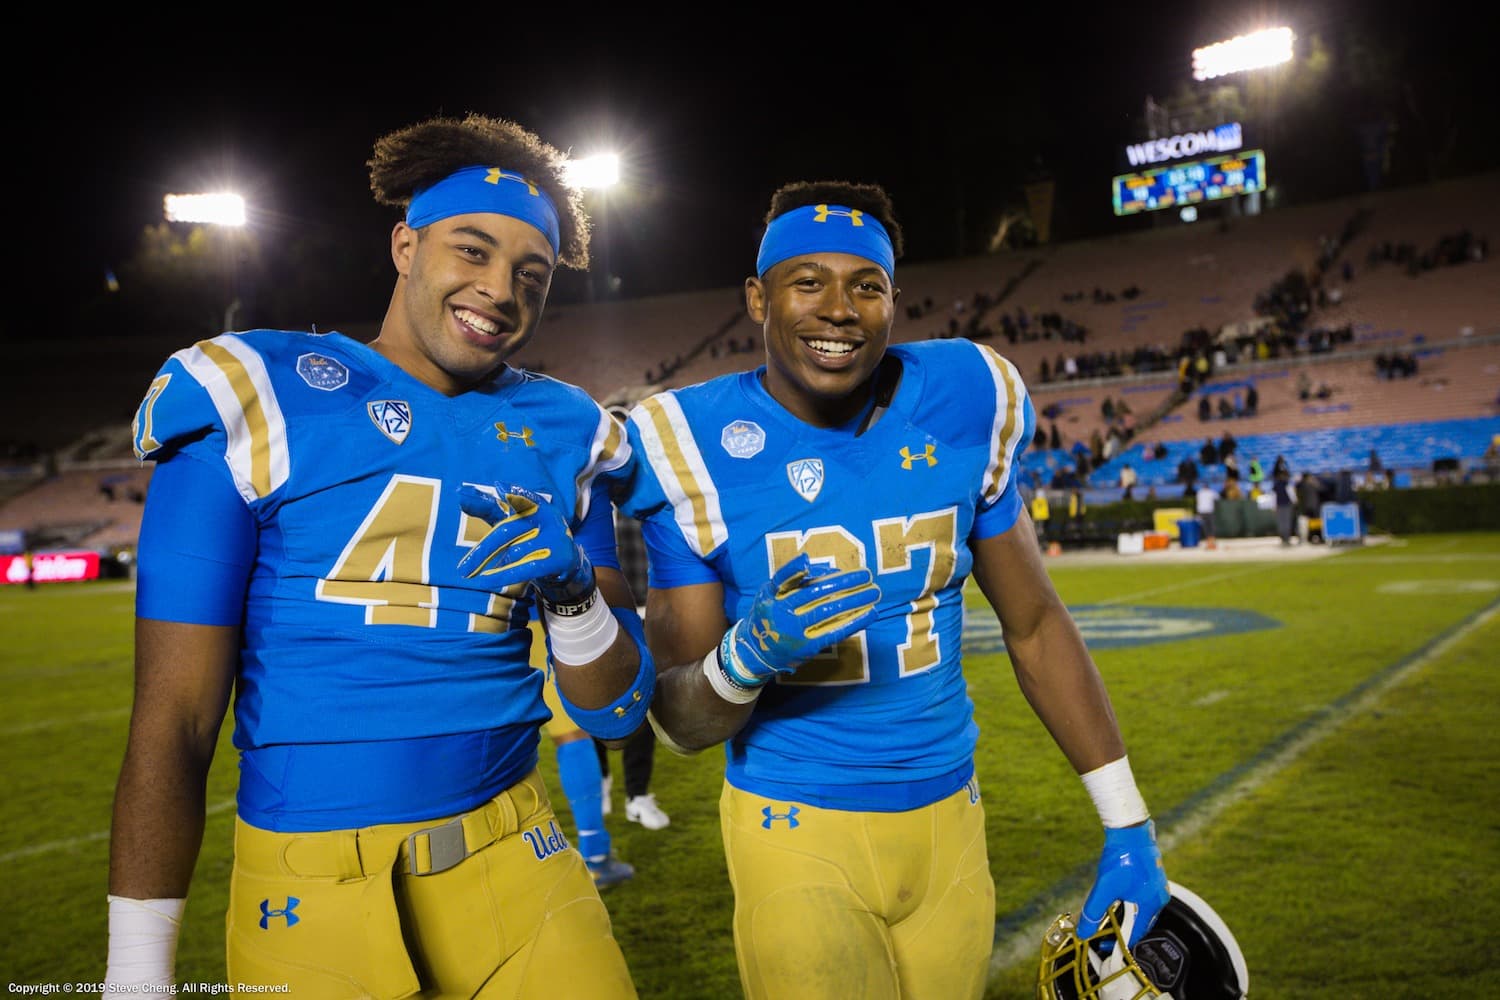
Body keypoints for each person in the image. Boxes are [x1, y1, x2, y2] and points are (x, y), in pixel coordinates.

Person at [105, 114, 651, 996]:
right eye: (471, 251)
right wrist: (135, 976)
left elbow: (619, 714)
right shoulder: (256, 394)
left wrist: (576, 594)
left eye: (530, 274)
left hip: (521, 857)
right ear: (405, 244)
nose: (500, 289)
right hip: (311, 885)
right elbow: (173, 722)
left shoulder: (568, 431)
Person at [613, 181, 1168, 999]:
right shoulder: (683, 444)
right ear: (757, 298)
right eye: (808, 282)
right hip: (794, 830)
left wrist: (1129, 826)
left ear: (892, 303)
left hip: (952, 826)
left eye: (865, 286)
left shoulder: (968, 395)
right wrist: (745, 658)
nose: (839, 308)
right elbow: (683, 721)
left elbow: (1037, 624)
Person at [1196, 480, 1220, 547]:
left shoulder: (1199, 492)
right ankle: (1211, 542)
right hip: (1209, 512)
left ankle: (1209, 542)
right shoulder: (1211, 492)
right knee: (1210, 527)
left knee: (1206, 527)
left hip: (1202, 512)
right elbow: (1218, 497)